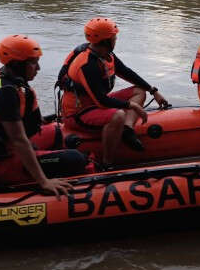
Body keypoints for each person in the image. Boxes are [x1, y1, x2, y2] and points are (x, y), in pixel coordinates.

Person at [0, 35, 88, 199]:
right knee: (75, 159)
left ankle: (49, 158)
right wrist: (44, 182)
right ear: (18, 64)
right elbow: (19, 140)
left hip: (5, 146)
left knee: (58, 132)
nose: (38, 68)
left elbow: (25, 124)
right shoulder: (5, 93)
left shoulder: (9, 80)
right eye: (33, 62)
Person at [57, 17, 169, 168]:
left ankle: (127, 130)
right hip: (78, 113)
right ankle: (107, 163)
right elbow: (101, 101)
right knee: (118, 115)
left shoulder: (106, 55)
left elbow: (127, 73)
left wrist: (153, 91)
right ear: (105, 41)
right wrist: (132, 106)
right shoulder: (87, 64)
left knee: (139, 91)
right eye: (114, 38)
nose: (116, 40)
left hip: (94, 104)